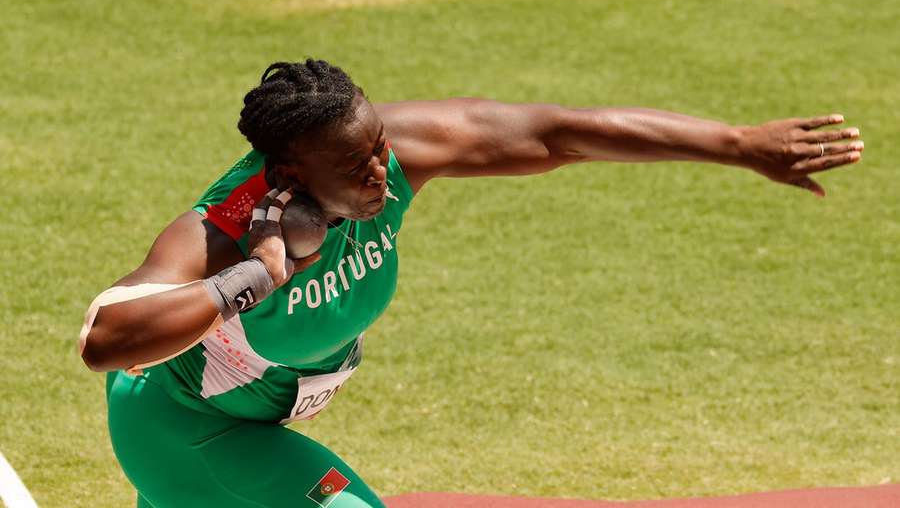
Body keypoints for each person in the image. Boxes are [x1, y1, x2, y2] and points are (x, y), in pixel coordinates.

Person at [79, 59, 863, 508]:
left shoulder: (384, 153)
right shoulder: (220, 230)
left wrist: (736, 144)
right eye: (358, 167)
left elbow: (555, 134)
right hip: (188, 427)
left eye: (381, 147)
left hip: (253, 424)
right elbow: (105, 343)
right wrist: (255, 275)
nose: (383, 173)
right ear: (289, 170)